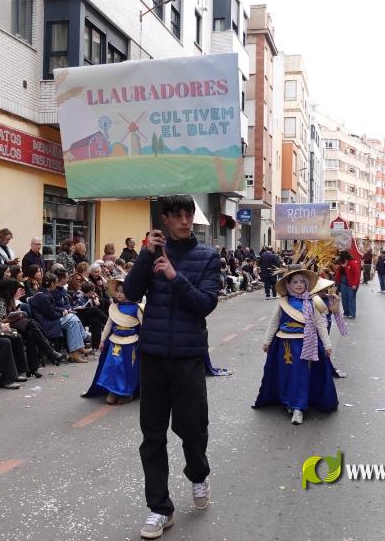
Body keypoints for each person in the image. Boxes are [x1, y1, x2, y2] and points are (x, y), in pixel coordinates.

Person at [121, 195, 219, 539]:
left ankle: (198, 473)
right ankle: (159, 508)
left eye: (188, 215)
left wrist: (176, 277)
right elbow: (130, 294)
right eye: (177, 216)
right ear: (165, 219)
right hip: (153, 357)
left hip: (189, 356)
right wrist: (145, 256)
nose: (184, 222)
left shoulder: (208, 257)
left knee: (192, 429)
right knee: (152, 435)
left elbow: (205, 304)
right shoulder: (150, 255)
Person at [253, 268, 338, 425]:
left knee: (301, 375)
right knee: (287, 375)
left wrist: (327, 344)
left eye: (301, 281)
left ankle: (298, 407)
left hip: (307, 343)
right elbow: (274, 322)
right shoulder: (283, 302)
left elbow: (320, 324)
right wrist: (267, 341)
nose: (299, 285)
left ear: (306, 284)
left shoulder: (314, 301)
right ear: (288, 285)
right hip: (284, 345)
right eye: (295, 282)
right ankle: (289, 401)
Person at [83, 278, 141, 404]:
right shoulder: (114, 307)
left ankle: (127, 393)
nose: (119, 294)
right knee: (112, 366)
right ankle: (113, 391)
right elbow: (109, 325)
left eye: (123, 292)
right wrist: (102, 340)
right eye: (118, 291)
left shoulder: (137, 308)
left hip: (131, 344)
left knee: (128, 369)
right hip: (114, 342)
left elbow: (144, 326)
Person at [0, 278, 65, 368]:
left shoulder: (8, 299)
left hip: (13, 325)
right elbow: (0, 320)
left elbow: (11, 313)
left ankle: (33, 368)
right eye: (15, 290)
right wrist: (17, 316)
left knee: (31, 333)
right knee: (32, 324)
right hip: (2, 327)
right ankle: (49, 352)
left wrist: (16, 308)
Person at [29, 273, 91, 363]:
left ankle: (75, 353)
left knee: (72, 322)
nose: (57, 285)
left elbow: (52, 309)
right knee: (72, 317)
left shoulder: (45, 293)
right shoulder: (43, 296)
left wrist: (64, 311)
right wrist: (63, 313)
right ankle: (82, 340)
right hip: (47, 323)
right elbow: (51, 315)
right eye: (56, 283)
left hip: (50, 319)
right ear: (52, 284)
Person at [336, 251, 361, 318]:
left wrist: (355, 284)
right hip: (343, 283)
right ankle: (346, 312)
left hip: (351, 283)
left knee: (351, 298)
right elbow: (339, 273)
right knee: (344, 298)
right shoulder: (341, 263)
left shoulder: (352, 262)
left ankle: (352, 313)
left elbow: (357, 274)